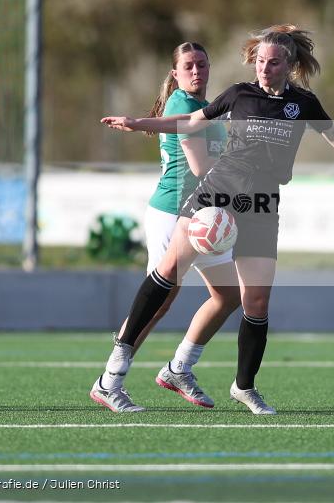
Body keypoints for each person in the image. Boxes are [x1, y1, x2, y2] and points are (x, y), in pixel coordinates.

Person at [101, 24, 334, 414]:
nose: (264, 69)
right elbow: (191, 124)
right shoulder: (239, 94)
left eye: (272, 63)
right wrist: (140, 123)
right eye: (259, 61)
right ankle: (116, 366)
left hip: (262, 203)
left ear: (289, 65)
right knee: (169, 271)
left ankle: (244, 386)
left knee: (255, 301)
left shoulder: (303, 104)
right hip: (217, 194)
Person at [90, 41, 241, 413]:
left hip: (203, 215)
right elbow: (200, 167)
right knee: (159, 303)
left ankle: (179, 369)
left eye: (202, 65)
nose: (196, 71)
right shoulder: (182, 104)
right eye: (188, 65)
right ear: (175, 73)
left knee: (228, 296)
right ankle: (109, 380)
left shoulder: (207, 109)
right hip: (175, 213)